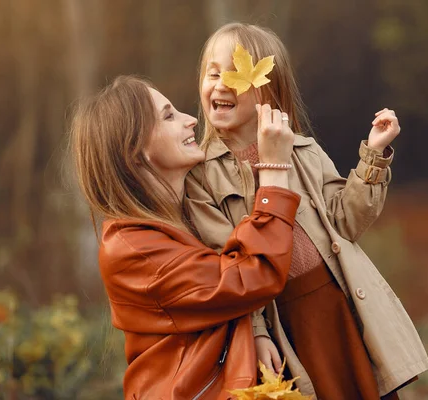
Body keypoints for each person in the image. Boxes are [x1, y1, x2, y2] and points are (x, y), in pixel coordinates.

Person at [185, 23, 428, 400]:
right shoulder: (201, 176)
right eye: (212, 73)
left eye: (235, 74)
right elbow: (224, 265)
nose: (220, 84)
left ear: (268, 89)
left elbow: (346, 221)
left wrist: (373, 157)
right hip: (282, 320)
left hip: (337, 302)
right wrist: (257, 332)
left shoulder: (303, 150)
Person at [69, 75, 300, 400]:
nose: (191, 120)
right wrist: (274, 169)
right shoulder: (133, 251)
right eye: (168, 116)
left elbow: (226, 299)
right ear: (136, 153)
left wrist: (255, 333)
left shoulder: (186, 215)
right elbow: (254, 274)